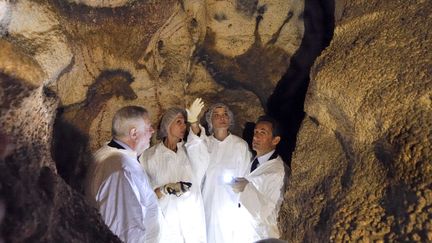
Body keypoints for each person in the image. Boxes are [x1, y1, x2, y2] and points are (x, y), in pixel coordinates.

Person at [85, 106, 162, 243]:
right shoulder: (119, 170)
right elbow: (126, 230)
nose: (152, 131)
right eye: (148, 127)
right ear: (134, 134)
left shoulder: (113, 156)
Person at [186, 99, 252, 243]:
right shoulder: (205, 143)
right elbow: (194, 146)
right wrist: (193, 121)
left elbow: (247, 178)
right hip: (207, 205)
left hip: (231, 207)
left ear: (230, 119)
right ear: (210, 120)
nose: (222, 118)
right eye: (216, 115)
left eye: (225, 114)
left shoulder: (240, 145)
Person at [140, 107, 207, 243]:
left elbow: (201, 153)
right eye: (179, 122)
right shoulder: (150, 156)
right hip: (166, 221)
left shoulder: (189, 151)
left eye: (184, 123)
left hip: (191, 220)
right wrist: (165, 189)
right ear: (167, 125)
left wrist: (194, 123)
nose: (183, 126)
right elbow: (143, 195)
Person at [230, 115, 286, 240]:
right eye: (255, 132)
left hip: (261, 236)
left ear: (275, 140)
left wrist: (246, 188)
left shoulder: (277, 173)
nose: (256, 137)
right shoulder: (254, 161)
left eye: (263, 133)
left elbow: (269, 215)